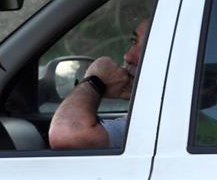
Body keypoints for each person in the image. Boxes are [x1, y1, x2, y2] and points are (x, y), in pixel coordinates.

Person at [48, 19, 149, 149]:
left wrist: (94, 81)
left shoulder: (160, 121)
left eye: (148, 47)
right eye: (134, 42)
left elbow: (65, 133)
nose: (128, 56)